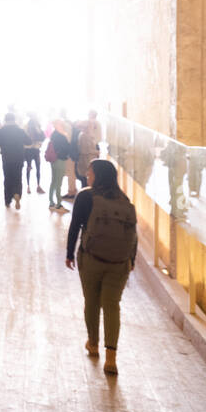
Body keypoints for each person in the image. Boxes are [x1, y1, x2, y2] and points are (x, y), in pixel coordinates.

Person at [66, 159, 137, 376]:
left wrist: (69, 253)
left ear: (96, 175)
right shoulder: (124, 200)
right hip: (119, 263)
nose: (88, 177)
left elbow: (75, 226)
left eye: (90, 173)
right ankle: (111, 358)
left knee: (92, 302)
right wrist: (130, 261)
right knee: (112, 306)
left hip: (92, 258)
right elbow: (133, 234)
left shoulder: (86, 196)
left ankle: (94, 344)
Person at [0, 113, 29, 209]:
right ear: (14, 120)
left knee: (7, 178)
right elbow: (28, 141)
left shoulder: (1, 131)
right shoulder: (20, 130)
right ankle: (17, 194)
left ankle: (8, 200)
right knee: (18, 178)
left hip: (7, 159)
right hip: (19, 158)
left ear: (5, 120)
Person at [46, 120, 73, 212]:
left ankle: (51, 202)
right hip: (60, 160)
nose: (62, 126)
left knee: (54, 181)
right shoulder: (61, 136)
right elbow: (66, 148)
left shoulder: (54, 135)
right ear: (57, 125)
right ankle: (58, 204)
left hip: (54, 160)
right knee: (58, 182)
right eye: (61, 124)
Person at [23, 111, 45, 194]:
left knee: (28, 168)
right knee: (38, 168)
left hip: (28, 150)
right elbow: (42, 137)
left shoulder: (26, 126)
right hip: (36, 149)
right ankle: (38, 186)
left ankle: (28, 187)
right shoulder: (37, 126)